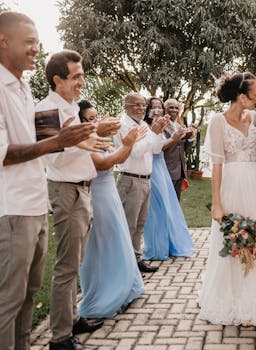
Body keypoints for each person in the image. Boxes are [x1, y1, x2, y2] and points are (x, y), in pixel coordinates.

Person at [0, 11, 95, 350]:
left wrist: (71, 139)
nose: (35, 49)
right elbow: (5, 153)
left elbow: (41, 149)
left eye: (37, 43)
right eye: (29, 42)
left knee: (27, 295)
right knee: (8, 301)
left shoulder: (22, 89)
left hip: (36, 202)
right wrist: (60, 141)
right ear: (3, 41)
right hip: (12, 207)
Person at [38, 49, 117, 349]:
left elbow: (84, 143)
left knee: (77, 261)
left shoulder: (71, 108)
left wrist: (94, 135)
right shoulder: (47, 108)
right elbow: (51, 154)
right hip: (66, 191)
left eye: (82, 75)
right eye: (76, 77)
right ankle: (60, 338)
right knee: (66, 266)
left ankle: (73, 318)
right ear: (57, 79)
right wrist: (92, 134)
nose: (82, 81)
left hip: (83, 189)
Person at [198, 72, 256, 327]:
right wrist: (217, 203)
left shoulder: (255, 117)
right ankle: (232, 301)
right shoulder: (217, 122)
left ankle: (254, 301)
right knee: (235, 243)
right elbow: (217, 164)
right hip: (232, 186)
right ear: (241, 97)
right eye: (255, 94)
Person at [77, 100, 146, 319]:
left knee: (118, 240)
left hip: (110, 194)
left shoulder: (100, 140)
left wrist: (127, 144)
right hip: (97, 197)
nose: (96, 122)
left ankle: (125, 287)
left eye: (96, 117)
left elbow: (118, 159)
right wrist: (127, 144)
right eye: (90, 119)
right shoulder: (83, 142)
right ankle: (105, 293)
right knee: (103, 245)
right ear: (80, 122)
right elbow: (103, 164)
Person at [115, 92, 169, 273]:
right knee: (129, 225)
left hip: (146, 180)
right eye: (136, 105)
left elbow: (155, 148)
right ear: (126, 106)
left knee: (140, 224)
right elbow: (135, 151)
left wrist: (158, 132)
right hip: (130, 179)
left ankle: (136, 260)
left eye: (142, 105)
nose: (140, 109)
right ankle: (125, 265)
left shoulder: (144, 125)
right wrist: (153, 133)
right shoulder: (123, 125)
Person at [142, 97, 195, 260]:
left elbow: (181, 146)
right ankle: (158, 246)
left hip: (167, 169)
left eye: (159, 107)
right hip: (156, 167)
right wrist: (175, 138)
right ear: (148, 109)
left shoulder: (168, 124)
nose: (157, 110)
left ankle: (171, 242)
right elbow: (159, 148)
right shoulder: (148, 127)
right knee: (158, 210)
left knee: (170, 208)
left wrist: (189, 137)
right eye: (154, 107)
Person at [163, 99, 195, 199]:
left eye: (176, 108)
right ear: (165, 110)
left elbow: (184, 148)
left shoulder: (179, 126)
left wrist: (190, 137)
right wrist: (177, 137)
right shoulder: (161, 125)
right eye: (171, 107)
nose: (174, 110)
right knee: (166, 201)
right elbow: (161, 147)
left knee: (176, 202)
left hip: (180, 171)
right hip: (167, 169)